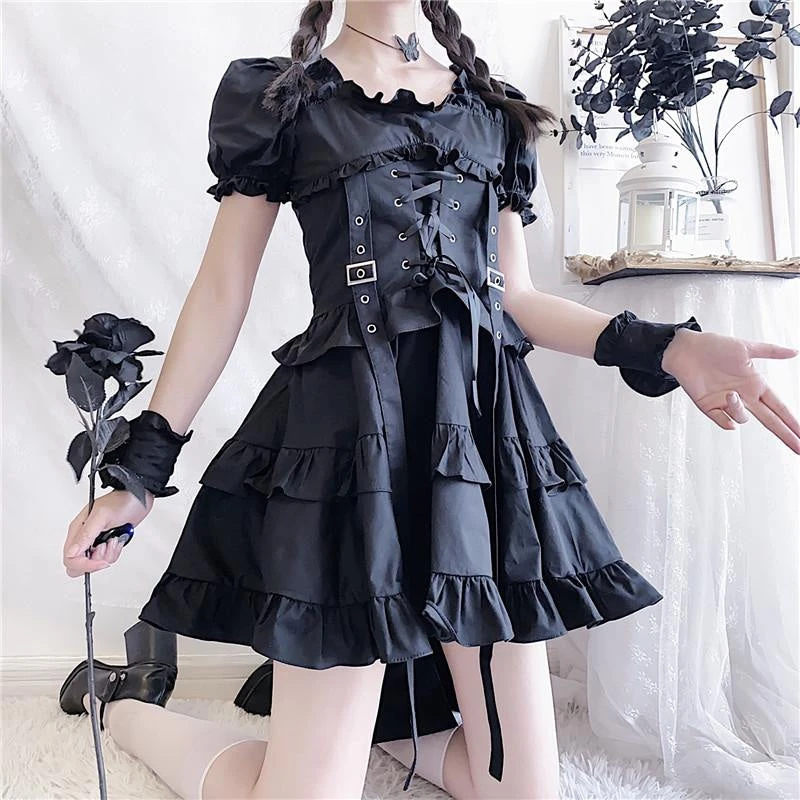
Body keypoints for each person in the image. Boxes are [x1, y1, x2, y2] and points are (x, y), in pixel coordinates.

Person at [57, 1, 800, 799]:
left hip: (477, 446)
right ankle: (124, 708)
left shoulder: (495, 112)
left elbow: (515, 299)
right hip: (349, 442)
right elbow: (221, 291)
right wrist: (140, 473)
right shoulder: (282, 98)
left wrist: (668, 346)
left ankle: (391, 727)